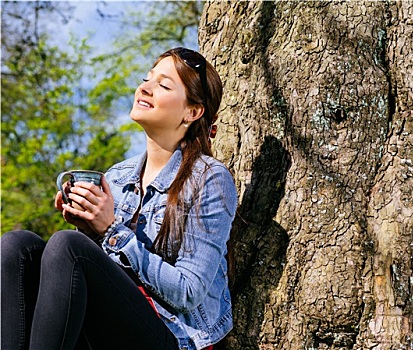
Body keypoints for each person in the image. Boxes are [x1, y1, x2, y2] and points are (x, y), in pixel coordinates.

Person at [1, 47, 238, 350]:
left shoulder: (209, 179)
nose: (145, 88)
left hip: (172, 335)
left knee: (67, 247)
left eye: (163, 85)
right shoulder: (118, 175)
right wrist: (88, 227)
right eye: (147, 79)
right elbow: (93, 276)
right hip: (109, 329)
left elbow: (188, 291)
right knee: (16, 247)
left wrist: (110, 230)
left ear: (192, 112)